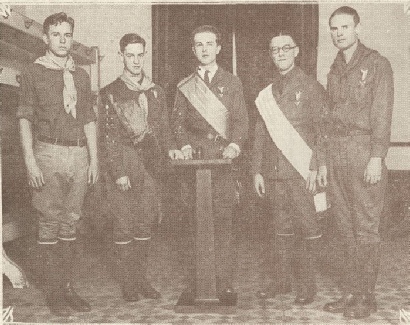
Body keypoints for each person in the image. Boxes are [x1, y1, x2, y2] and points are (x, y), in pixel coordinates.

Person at [17, 12, 98, 316]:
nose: (62, 41)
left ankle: (67, 288)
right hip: (47, 154)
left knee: (71, 221)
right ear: (45, 38)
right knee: (49, 221)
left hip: (78, 154)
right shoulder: (33, 71)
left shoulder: (81, 75)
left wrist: (94, 159)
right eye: (56, 35)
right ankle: (53, 293)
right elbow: (24, 118)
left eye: (67, 35)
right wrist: (30, 162)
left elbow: (88, 118)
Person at [323, 6, 394, 319]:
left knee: (366, 227)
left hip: (363, 153)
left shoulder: (377, 64)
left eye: (345, 27)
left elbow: (381, 113)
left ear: (358, 28)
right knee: (344, 227)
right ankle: (352, 292)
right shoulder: (335, 67)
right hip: (337, 154)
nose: (339, 33)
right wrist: (324, 158)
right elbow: (328, 118)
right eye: (334, 28)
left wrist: (377, 156)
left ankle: (366, 296)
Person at [100, 33, 181, 302]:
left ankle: (140, 279)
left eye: (140, 54)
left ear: (144, 55)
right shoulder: (111, 91)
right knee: (124, 224)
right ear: (121, 56)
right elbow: (108, 136)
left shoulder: (156, 91)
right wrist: (118, 171)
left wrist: (172, 148)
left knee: (145, 224)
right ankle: (128, 284)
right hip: (124, 165)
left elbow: (165, 129)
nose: (135, 60)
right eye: (130, 55)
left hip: (150, 167)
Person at [171, 25, 248, 299]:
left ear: (218, 48)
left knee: (223, 221)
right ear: (193, 50)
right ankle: (197, 280)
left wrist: (235, 145)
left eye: (209, 44)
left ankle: (224, 281)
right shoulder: (185, 85)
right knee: (195, 221)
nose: (204, 49)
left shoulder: (232, 82)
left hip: (223, 159)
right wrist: (185, 144)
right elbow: (176, 122)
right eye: (198, 45)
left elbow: (240, 121)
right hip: (195, 163)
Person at [252, 31, 328, 304]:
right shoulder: (267, 93)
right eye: (275, 49)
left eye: (286, 48)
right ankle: (281, 282)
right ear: (271, 55)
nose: (281, 53)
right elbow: (261, 132)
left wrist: (316, 165)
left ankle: (307, 287)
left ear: (296, 51)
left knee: (307, 227)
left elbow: (323, 132)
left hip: (301, 170)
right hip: (273, 172)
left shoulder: (311, 87)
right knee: (279, 228)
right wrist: (257, 170)